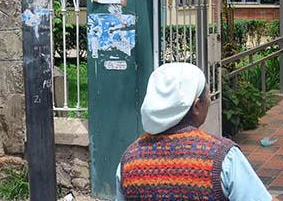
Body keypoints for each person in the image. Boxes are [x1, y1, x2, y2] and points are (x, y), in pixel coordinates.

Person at [115, 63, 272, 201]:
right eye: (208, 94)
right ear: (196, 106)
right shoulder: (223, 156)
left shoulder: (129, 160)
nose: (210, 100)